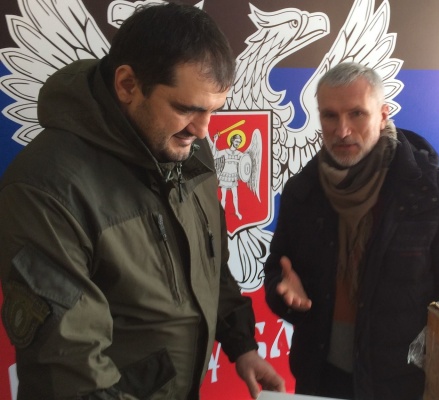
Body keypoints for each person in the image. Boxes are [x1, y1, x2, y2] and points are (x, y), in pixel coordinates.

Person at [0, 3, 284, 399]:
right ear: (127, 85)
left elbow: (211, 265)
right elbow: (70, 372)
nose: (203, 131)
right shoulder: (45, 188)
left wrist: (243, 346)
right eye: (186, 109)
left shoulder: (188, 149)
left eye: (212, 111)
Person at [264, 62, 439, 400]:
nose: (342, 130)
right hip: (320, 380)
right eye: (330, 116)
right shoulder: (302, 192)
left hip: (403, 387)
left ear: (382, 115)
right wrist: (284, 294)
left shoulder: (438, 194)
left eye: (357, 114)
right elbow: (276, 273)